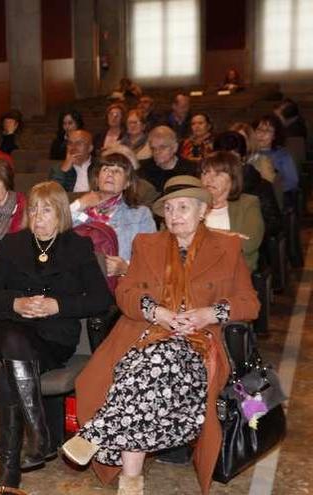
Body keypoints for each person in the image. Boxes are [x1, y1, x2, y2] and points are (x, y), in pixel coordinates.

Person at [64, 175, 260, 495]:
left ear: (202, 211)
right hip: (146, 333)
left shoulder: (227, 246)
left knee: (150, 364)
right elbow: (125, 293)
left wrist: (208, 314)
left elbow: (250, 303)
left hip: (199, 342)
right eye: (168, 208)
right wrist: (157, 313)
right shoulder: (146, 244)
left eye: (183, 207)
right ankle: (130, 481)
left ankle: (97, 437)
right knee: (145, 372)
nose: (174, 215)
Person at [0, 181, 113, 493]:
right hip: (10, 326)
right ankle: (39, 435)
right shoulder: (13, 244)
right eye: (34, 210)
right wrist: (17, 302)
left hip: (53, 337)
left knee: (9, 375)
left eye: (47, 210)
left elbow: (100, 299)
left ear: (61, 213)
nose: (38, 218)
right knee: (13, 342)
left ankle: (11, 465)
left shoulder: (77, 247)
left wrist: (58, 305)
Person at [71, 151, 156, 276]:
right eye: (105, 169)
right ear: (97, 178)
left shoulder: (141, 214)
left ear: (127, 183)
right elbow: (53, 229)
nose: (110, 174)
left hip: (117, 284)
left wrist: (126, 267)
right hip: (78, 279)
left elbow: (151, 256)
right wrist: (79, 204)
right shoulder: (80, 208)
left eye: (117, 171)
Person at [201, 151, 265, 271]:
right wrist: (227, 235)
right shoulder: (193, 203)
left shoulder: (248, 204)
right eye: (205, 173)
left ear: (233, 178)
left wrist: (198, 234)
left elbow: (248, 244)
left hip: (235, 271)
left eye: (218, 174)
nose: (209, 179)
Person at [213, 130, 282, 240]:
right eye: (222, 159)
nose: (228, 163)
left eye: (232, 157)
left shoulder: (260, 185)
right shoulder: (207, 184)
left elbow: (273, 224)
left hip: (248, 242)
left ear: (243, 157)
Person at [137, 126, 198, 193]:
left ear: (175, 147)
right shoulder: (143, 168)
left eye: (162, 147)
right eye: (153, 148)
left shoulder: (190, 169)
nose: (157, 152)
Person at [254, 114, 299, 199]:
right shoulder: (248, 153)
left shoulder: (282, 155)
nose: (262, 134)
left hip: (273, 199)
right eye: (259, 130)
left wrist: (272, 190)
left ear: (275, 136)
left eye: (267, 131)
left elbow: (292, 182)